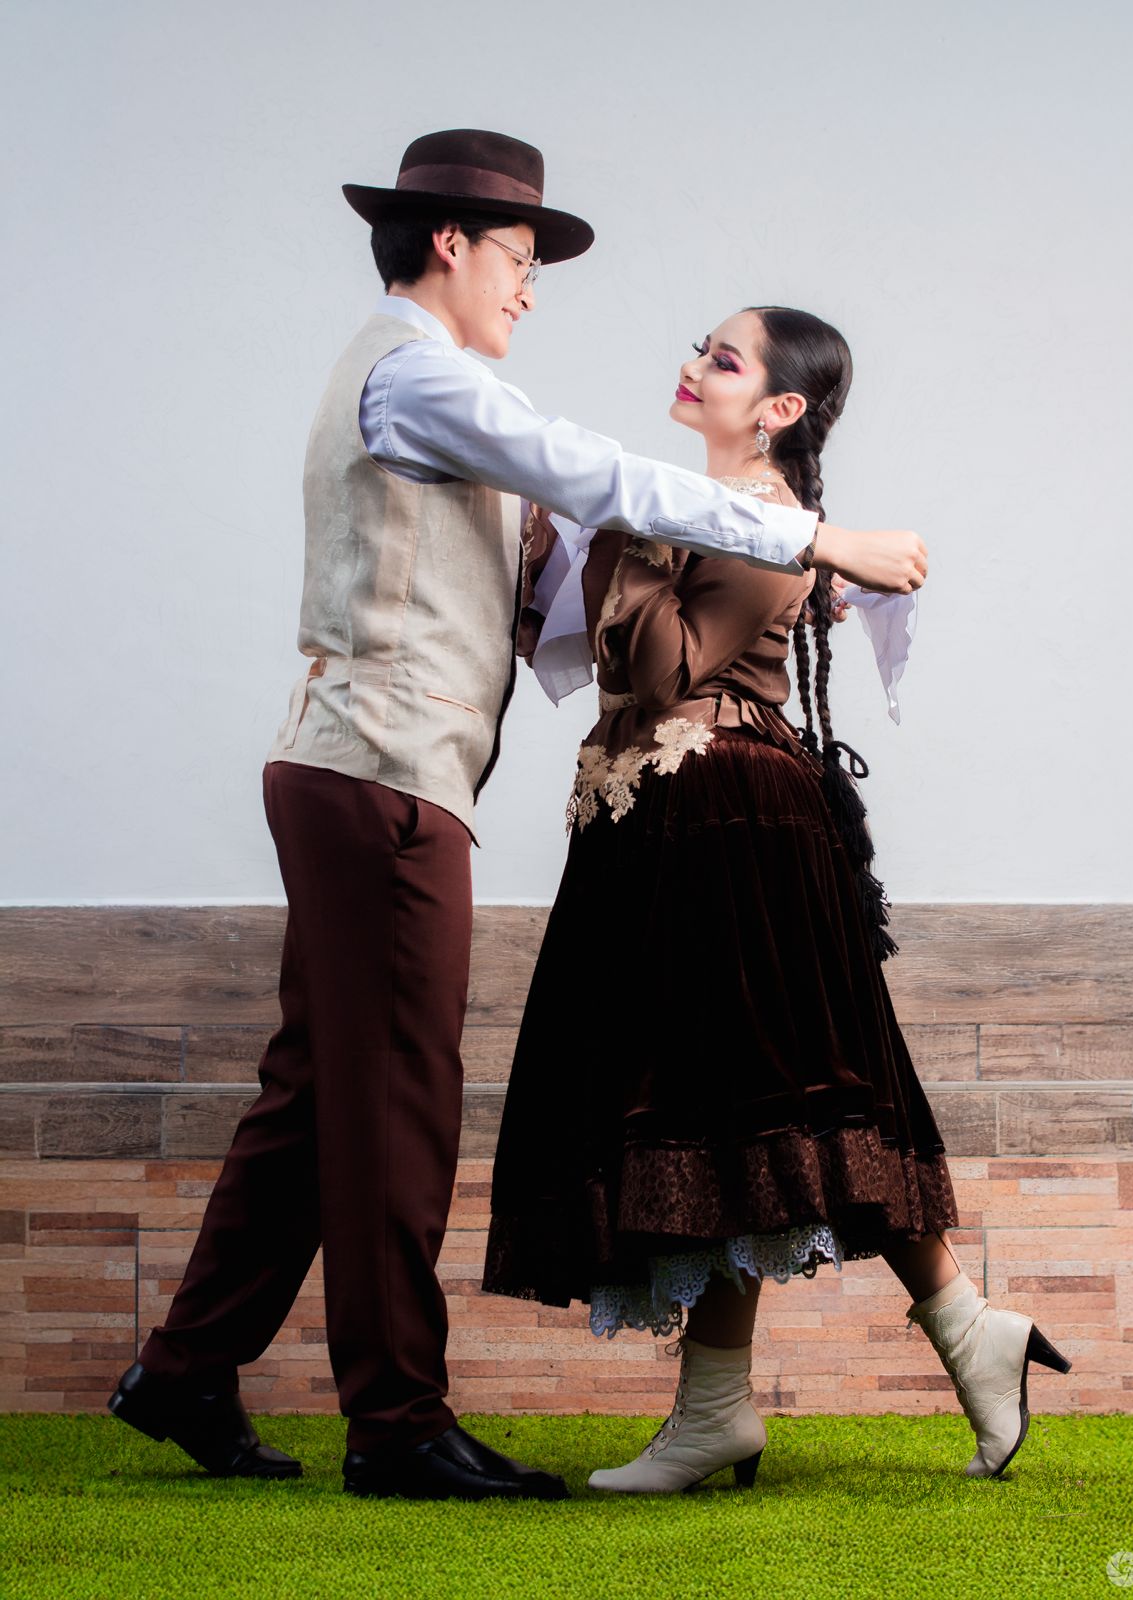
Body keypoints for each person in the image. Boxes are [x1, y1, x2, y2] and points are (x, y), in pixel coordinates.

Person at [107, 129, 928, 1503]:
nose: (530, 288)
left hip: (359, 768)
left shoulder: (428, 393)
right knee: (397, 1099)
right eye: (520, 257)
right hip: (380, 775)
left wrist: (758, 579)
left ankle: (186, 1368)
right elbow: (590, 472)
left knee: (316, 1096)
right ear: (451, 243)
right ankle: (395, 1423)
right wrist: (810, 535)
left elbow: (557, 572)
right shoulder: (419, 374)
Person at [483, 304, 1071, 1493]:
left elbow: (661, 668)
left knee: (758, 1098)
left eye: (723, 358)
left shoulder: (761, 519)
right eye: (700, 347)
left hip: (728, 817)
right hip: (658, 814)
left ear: (780, 408)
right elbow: (590, 650)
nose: (692, 365)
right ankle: (742, 1401)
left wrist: (625, 527)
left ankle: (886, 1354)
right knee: (724, 1112)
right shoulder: (715, 509)